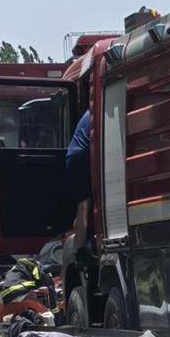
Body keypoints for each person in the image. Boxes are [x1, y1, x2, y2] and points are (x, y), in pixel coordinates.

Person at [65, 107, 93, 250]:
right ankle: (78, 249)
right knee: (83, 207)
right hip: (81, 158)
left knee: (83, 207)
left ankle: (79, 245)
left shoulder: (91, 111)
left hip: (78, 156)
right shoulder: (97, 109)